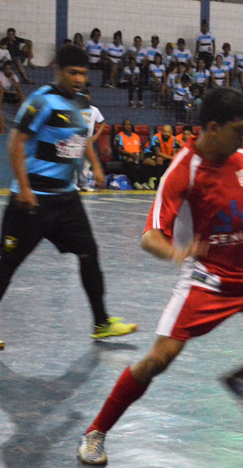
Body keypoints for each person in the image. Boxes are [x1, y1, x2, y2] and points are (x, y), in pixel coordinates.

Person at [77, 86, 243, 465]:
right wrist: (176, 252)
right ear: (212, 128)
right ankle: (95, 432)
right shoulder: (183, 171)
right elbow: (150, 236)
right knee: (157, 360)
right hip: (208, 280)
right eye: (239, 128)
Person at [0, 45, 137, 352]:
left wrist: (98, 167)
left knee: (89, 253)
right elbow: (15, 144)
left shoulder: (83, 101)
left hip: (66, 200)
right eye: (73, 73)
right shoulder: (40, 102)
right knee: (7, 262)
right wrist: (23, 188)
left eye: (84, 74)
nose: (79, 79)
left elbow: (82, 139)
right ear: (57, 70)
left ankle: (101, 323)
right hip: (34, 199)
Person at [78, 90, 105, 192]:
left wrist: (95, 136)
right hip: (77, 138)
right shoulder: (75, 108)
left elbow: (102, 123)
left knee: (86, 164)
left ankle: (84, 184)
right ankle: (74, 184)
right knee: (75, 162)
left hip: (88, 140)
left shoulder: (94, 110)